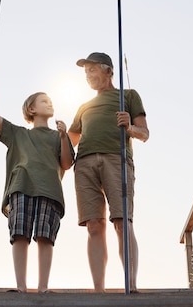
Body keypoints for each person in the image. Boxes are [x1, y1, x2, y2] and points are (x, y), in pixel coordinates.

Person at [0, 69, 74, 293]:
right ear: (32, 109)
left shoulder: (57, 136)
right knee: (20, 234)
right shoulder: (18, 133)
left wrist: (63, 136)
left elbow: (66, 163)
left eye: (51, 101)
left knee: (45, 236)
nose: (49, 103)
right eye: (44, 101)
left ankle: (43, 287)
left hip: (50, 189)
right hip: (21, 185)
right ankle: (21, 287)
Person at [67, 52, 149, 293]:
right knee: (93, 225)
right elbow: (68, 141)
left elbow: (144, 133)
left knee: (122, 221)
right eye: (86, 72)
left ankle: (130, 285)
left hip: (117, 159)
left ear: (108, 71)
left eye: (92, 70)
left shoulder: (129, 96)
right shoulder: (83, 107)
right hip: (84, 163)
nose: (88, 76)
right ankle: (99, 291)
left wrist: (130, 126)